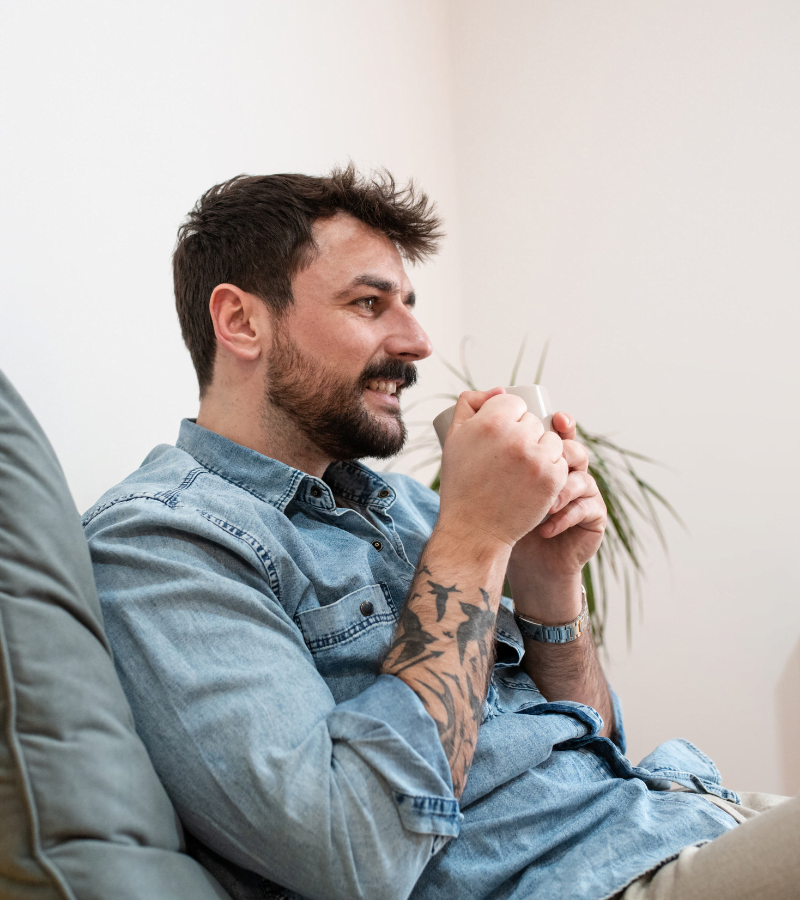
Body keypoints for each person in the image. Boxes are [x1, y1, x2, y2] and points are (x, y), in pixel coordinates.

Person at [83, 167, 798, 900]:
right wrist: (475, 540)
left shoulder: (409, 507)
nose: (418, 341)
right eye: (370, 302)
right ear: (241, 322)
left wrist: (549, 590)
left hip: (678, 816)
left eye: (411, 306)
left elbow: (591, 755)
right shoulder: (160, 544)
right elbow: (355, 854)